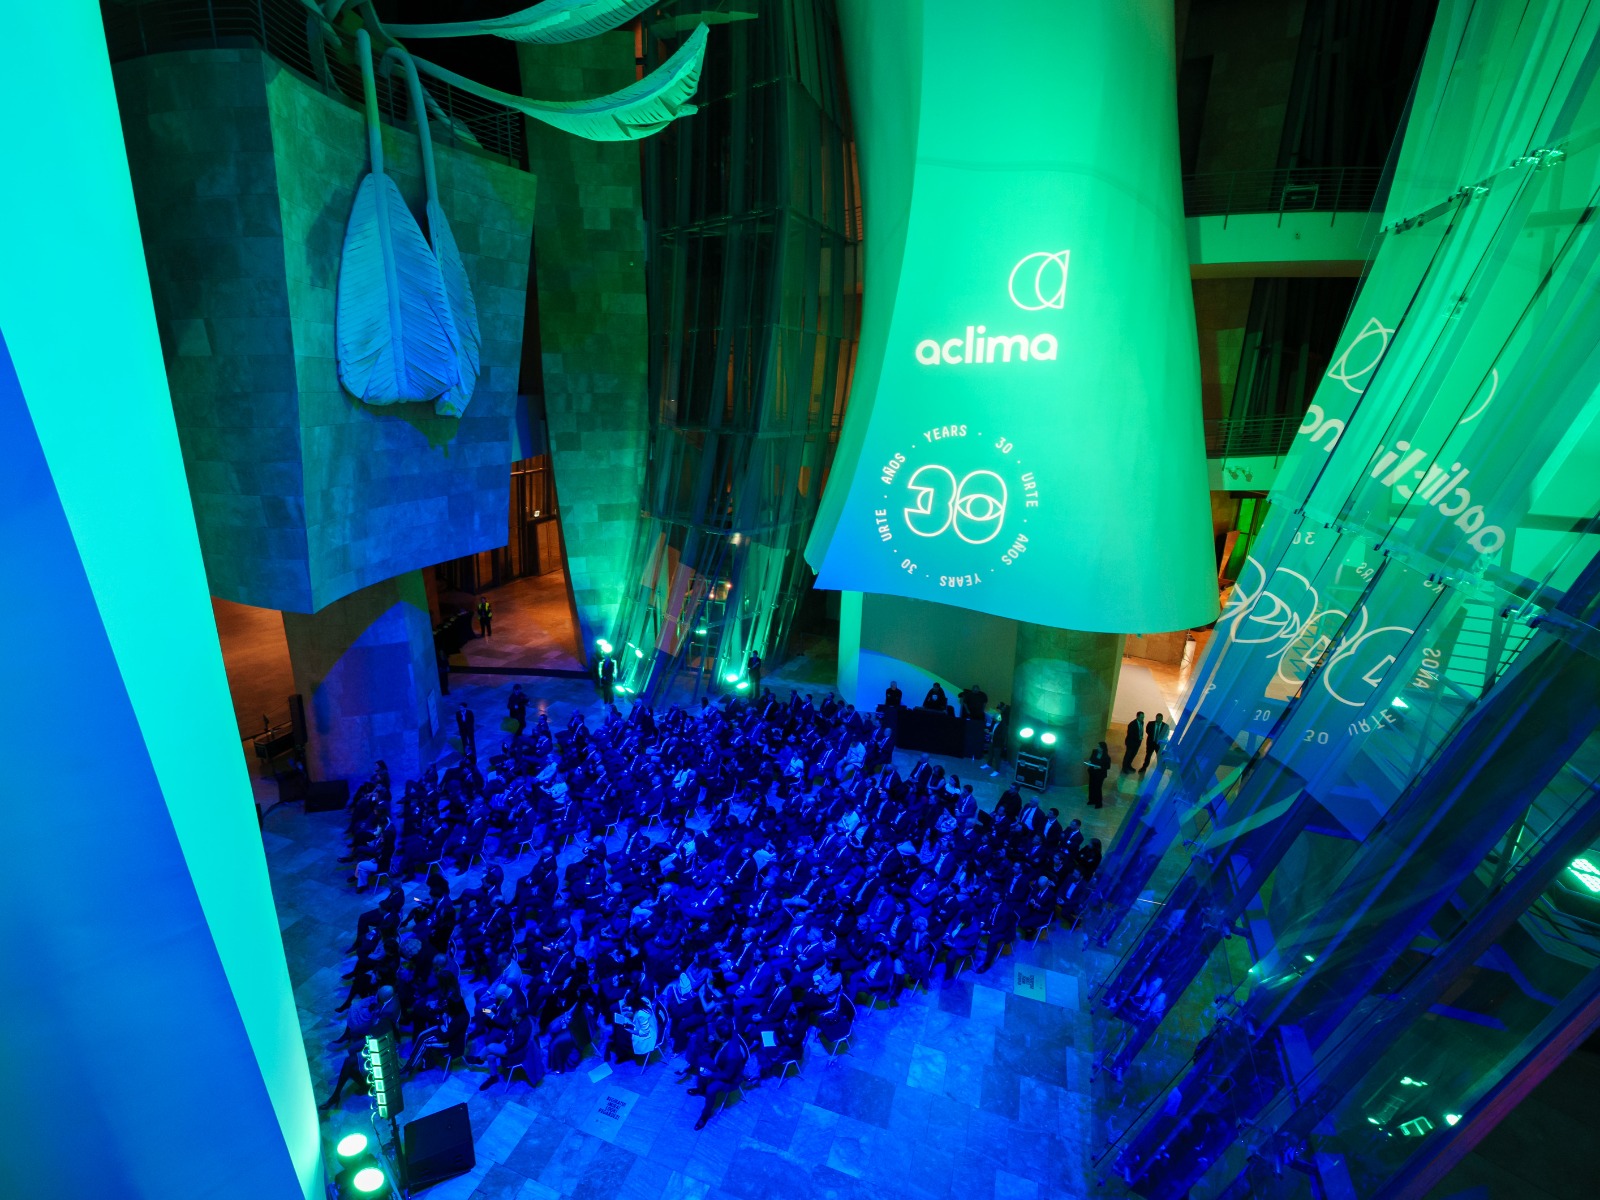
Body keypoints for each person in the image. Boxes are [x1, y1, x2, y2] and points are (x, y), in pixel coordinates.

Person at [1085, 740, 1111, 808]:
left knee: (1097, 788)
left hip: (1100, 774)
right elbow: (1091, 758)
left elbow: (1108, 767)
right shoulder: (1094, 751)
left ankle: (1098, 803)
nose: (1097, 747)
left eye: (1099, 747)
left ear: (1102, 748)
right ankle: (1091, 800)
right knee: (1091, 786)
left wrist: (1099, 767)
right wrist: (1089, 762)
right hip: (1092, 772)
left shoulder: (1106, 757)